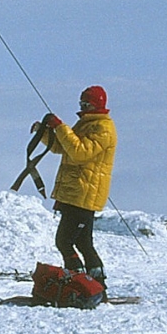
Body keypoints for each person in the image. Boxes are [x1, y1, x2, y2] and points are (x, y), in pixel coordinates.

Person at [34, 86, 117, 289]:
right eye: (81, 103)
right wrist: (45, 132)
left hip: (84, 194)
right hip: (75, 194)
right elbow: (63, 148)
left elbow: (80, 153)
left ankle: (79, 283)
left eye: (86, 104)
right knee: (83, 243)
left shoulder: (103, 128)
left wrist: (61, 127)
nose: (82, 107)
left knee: (64, 241)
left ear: (97, 105)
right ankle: (96, 285)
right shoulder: (85, 124)